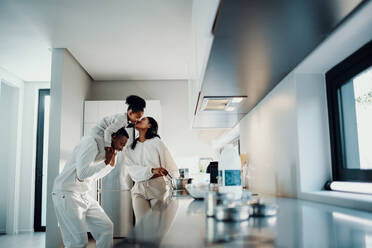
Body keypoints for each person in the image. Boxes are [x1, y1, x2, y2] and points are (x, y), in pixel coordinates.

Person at [52, 128, 129, 248]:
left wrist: (110, 165)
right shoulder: (91, 143)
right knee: (78, 242)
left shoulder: (104, 152)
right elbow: (82, 174)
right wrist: (105, 163)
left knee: (106, 227)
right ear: (113, 137)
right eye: (121, 144)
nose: (121, 148)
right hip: (67, 194)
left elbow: (93, 176)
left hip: (83, 194)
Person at [123, 117, 179, 224]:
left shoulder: (157, 142)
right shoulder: (130, 148)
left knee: (157, 224)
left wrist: (174, 182)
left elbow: (169, 164)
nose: (139, 120)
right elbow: (131, 169)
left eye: (143, 119)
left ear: (149, 125)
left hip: (157, 187)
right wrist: (152, 170)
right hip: (139, 188)